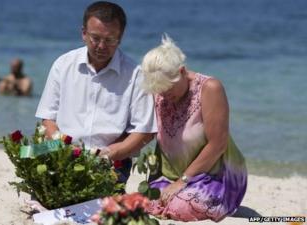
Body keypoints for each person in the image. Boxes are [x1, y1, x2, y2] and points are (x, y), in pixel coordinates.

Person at [35, 1, 157, 183]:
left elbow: (145, 132)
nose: (101, 46)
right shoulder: (63, 64)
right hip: (61, 148)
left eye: (109, 40)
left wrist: (111, 153)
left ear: (120, 37)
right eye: (95, 38)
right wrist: (61, 146)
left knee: (94, 205)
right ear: (83, 33)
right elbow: (48, 117)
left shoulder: (136, 74)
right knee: (24, 153)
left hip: (112, 158)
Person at [141, 34, 247, 222]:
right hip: (169, 175)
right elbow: (144, 133)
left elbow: (218, 144)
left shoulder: (209, 88)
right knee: (145, 204)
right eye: (160, 90)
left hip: (216, 177)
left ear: (182, 71)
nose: (164, 94)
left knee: (181, 207)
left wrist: (183, 181)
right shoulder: (160, 92)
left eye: (168, 88)